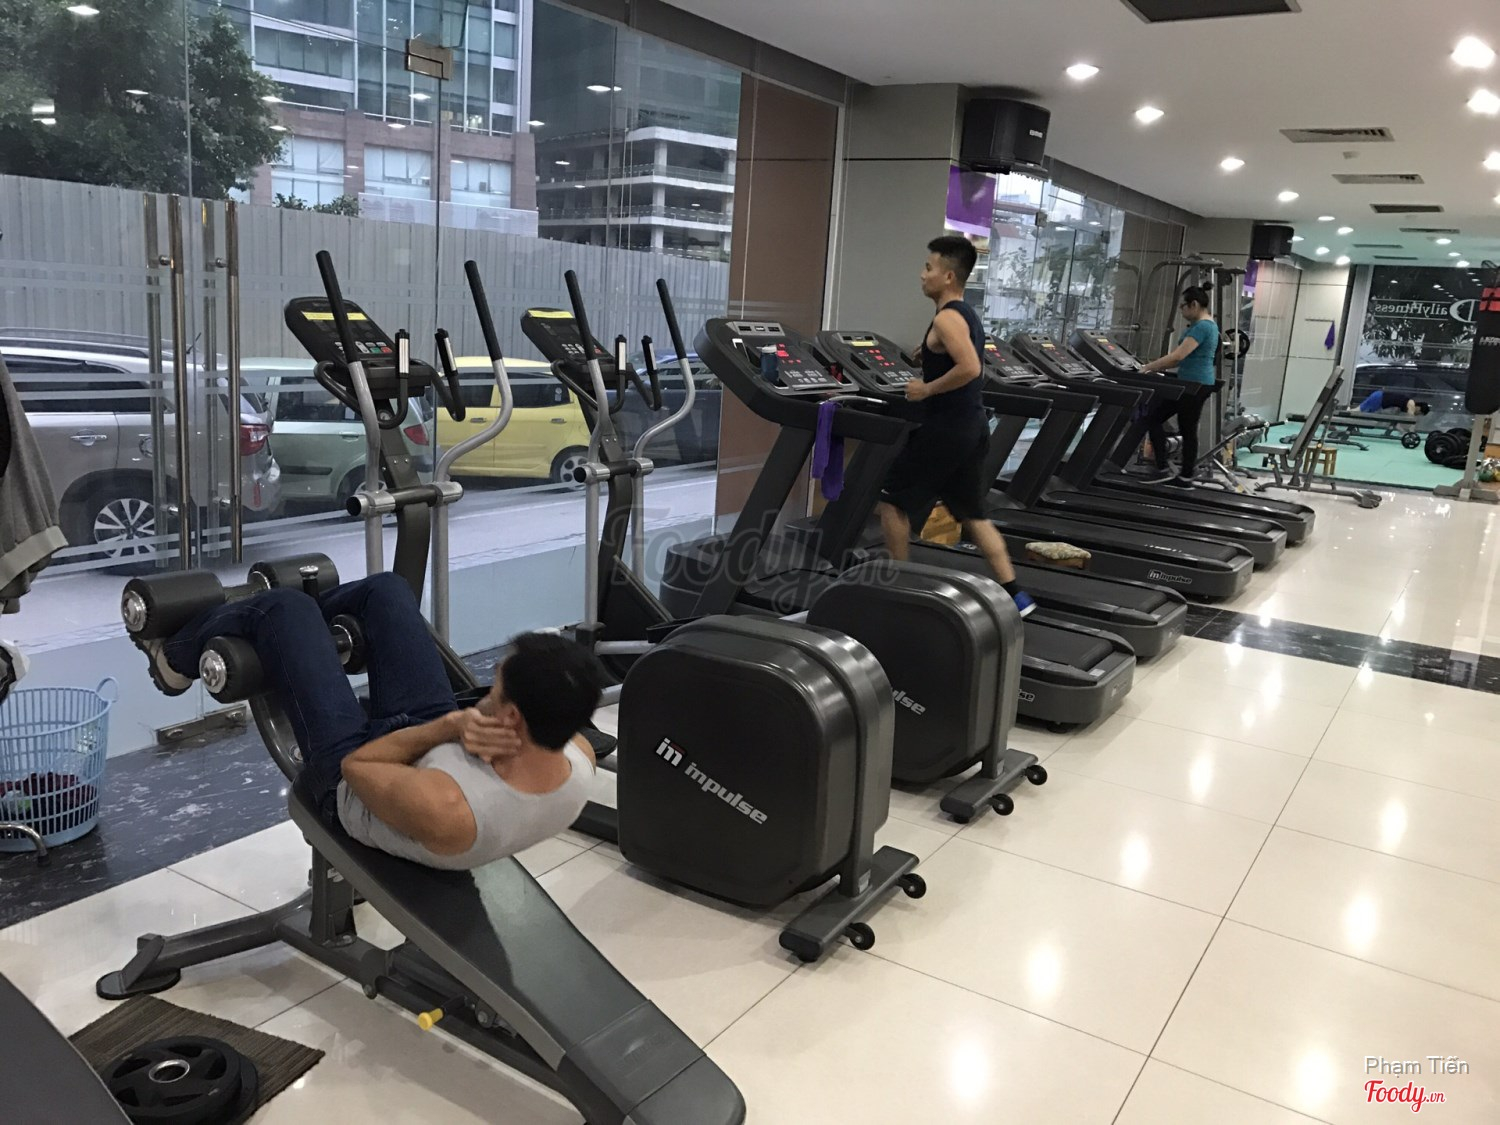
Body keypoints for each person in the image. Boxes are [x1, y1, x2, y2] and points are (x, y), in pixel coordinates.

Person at [147, 572, 603, 870]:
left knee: (283, 608)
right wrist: (450, 729)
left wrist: (449, 728)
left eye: (496, 688)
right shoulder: (578, 756)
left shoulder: (450, 809)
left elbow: (357, 767)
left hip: (352, 779)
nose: (487, 690)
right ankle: (288, 624)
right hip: (428, 745)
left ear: (511, 717)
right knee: (386, 591)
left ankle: (174, 657)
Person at [877, 235, 1034, 617]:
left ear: (948, 276)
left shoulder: (946, 318)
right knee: (973, 514)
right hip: (971, 428)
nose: (922, 275)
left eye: (928, 267)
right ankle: (1016, 594)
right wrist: (928, 355)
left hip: (945, 428)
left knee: (891, 501)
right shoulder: (965, 314)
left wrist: (925, 388)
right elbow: (958, 356)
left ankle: (899, 585)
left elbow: (970, 368)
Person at [1137, 286, 1221, 485]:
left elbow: (1178, 356)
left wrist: (1147, 367)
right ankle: (1171, 469)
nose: (1181, 311)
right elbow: (1180, 359)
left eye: (1183, 306)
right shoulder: (1206, 326)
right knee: (1162, 421)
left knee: (1175, 425)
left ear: (1194, 304)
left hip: (1194, 385)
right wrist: (1155, 367)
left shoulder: (1202, 327)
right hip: (1192, 382)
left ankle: (1180, 474)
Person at [1357, 389, 1431, 416]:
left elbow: (1396, 423)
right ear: (1419, 408)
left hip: (1380, 398)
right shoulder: (1411, 404)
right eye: (1419, 413)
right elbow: (1411, 421)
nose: (1417, 415)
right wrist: (1412, 432)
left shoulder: (1404, 405)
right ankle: (1350, 415)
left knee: (1361, 410)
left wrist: (1403, 432)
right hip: (1379, 398)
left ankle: (1351, 414)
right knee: (1359, 410)